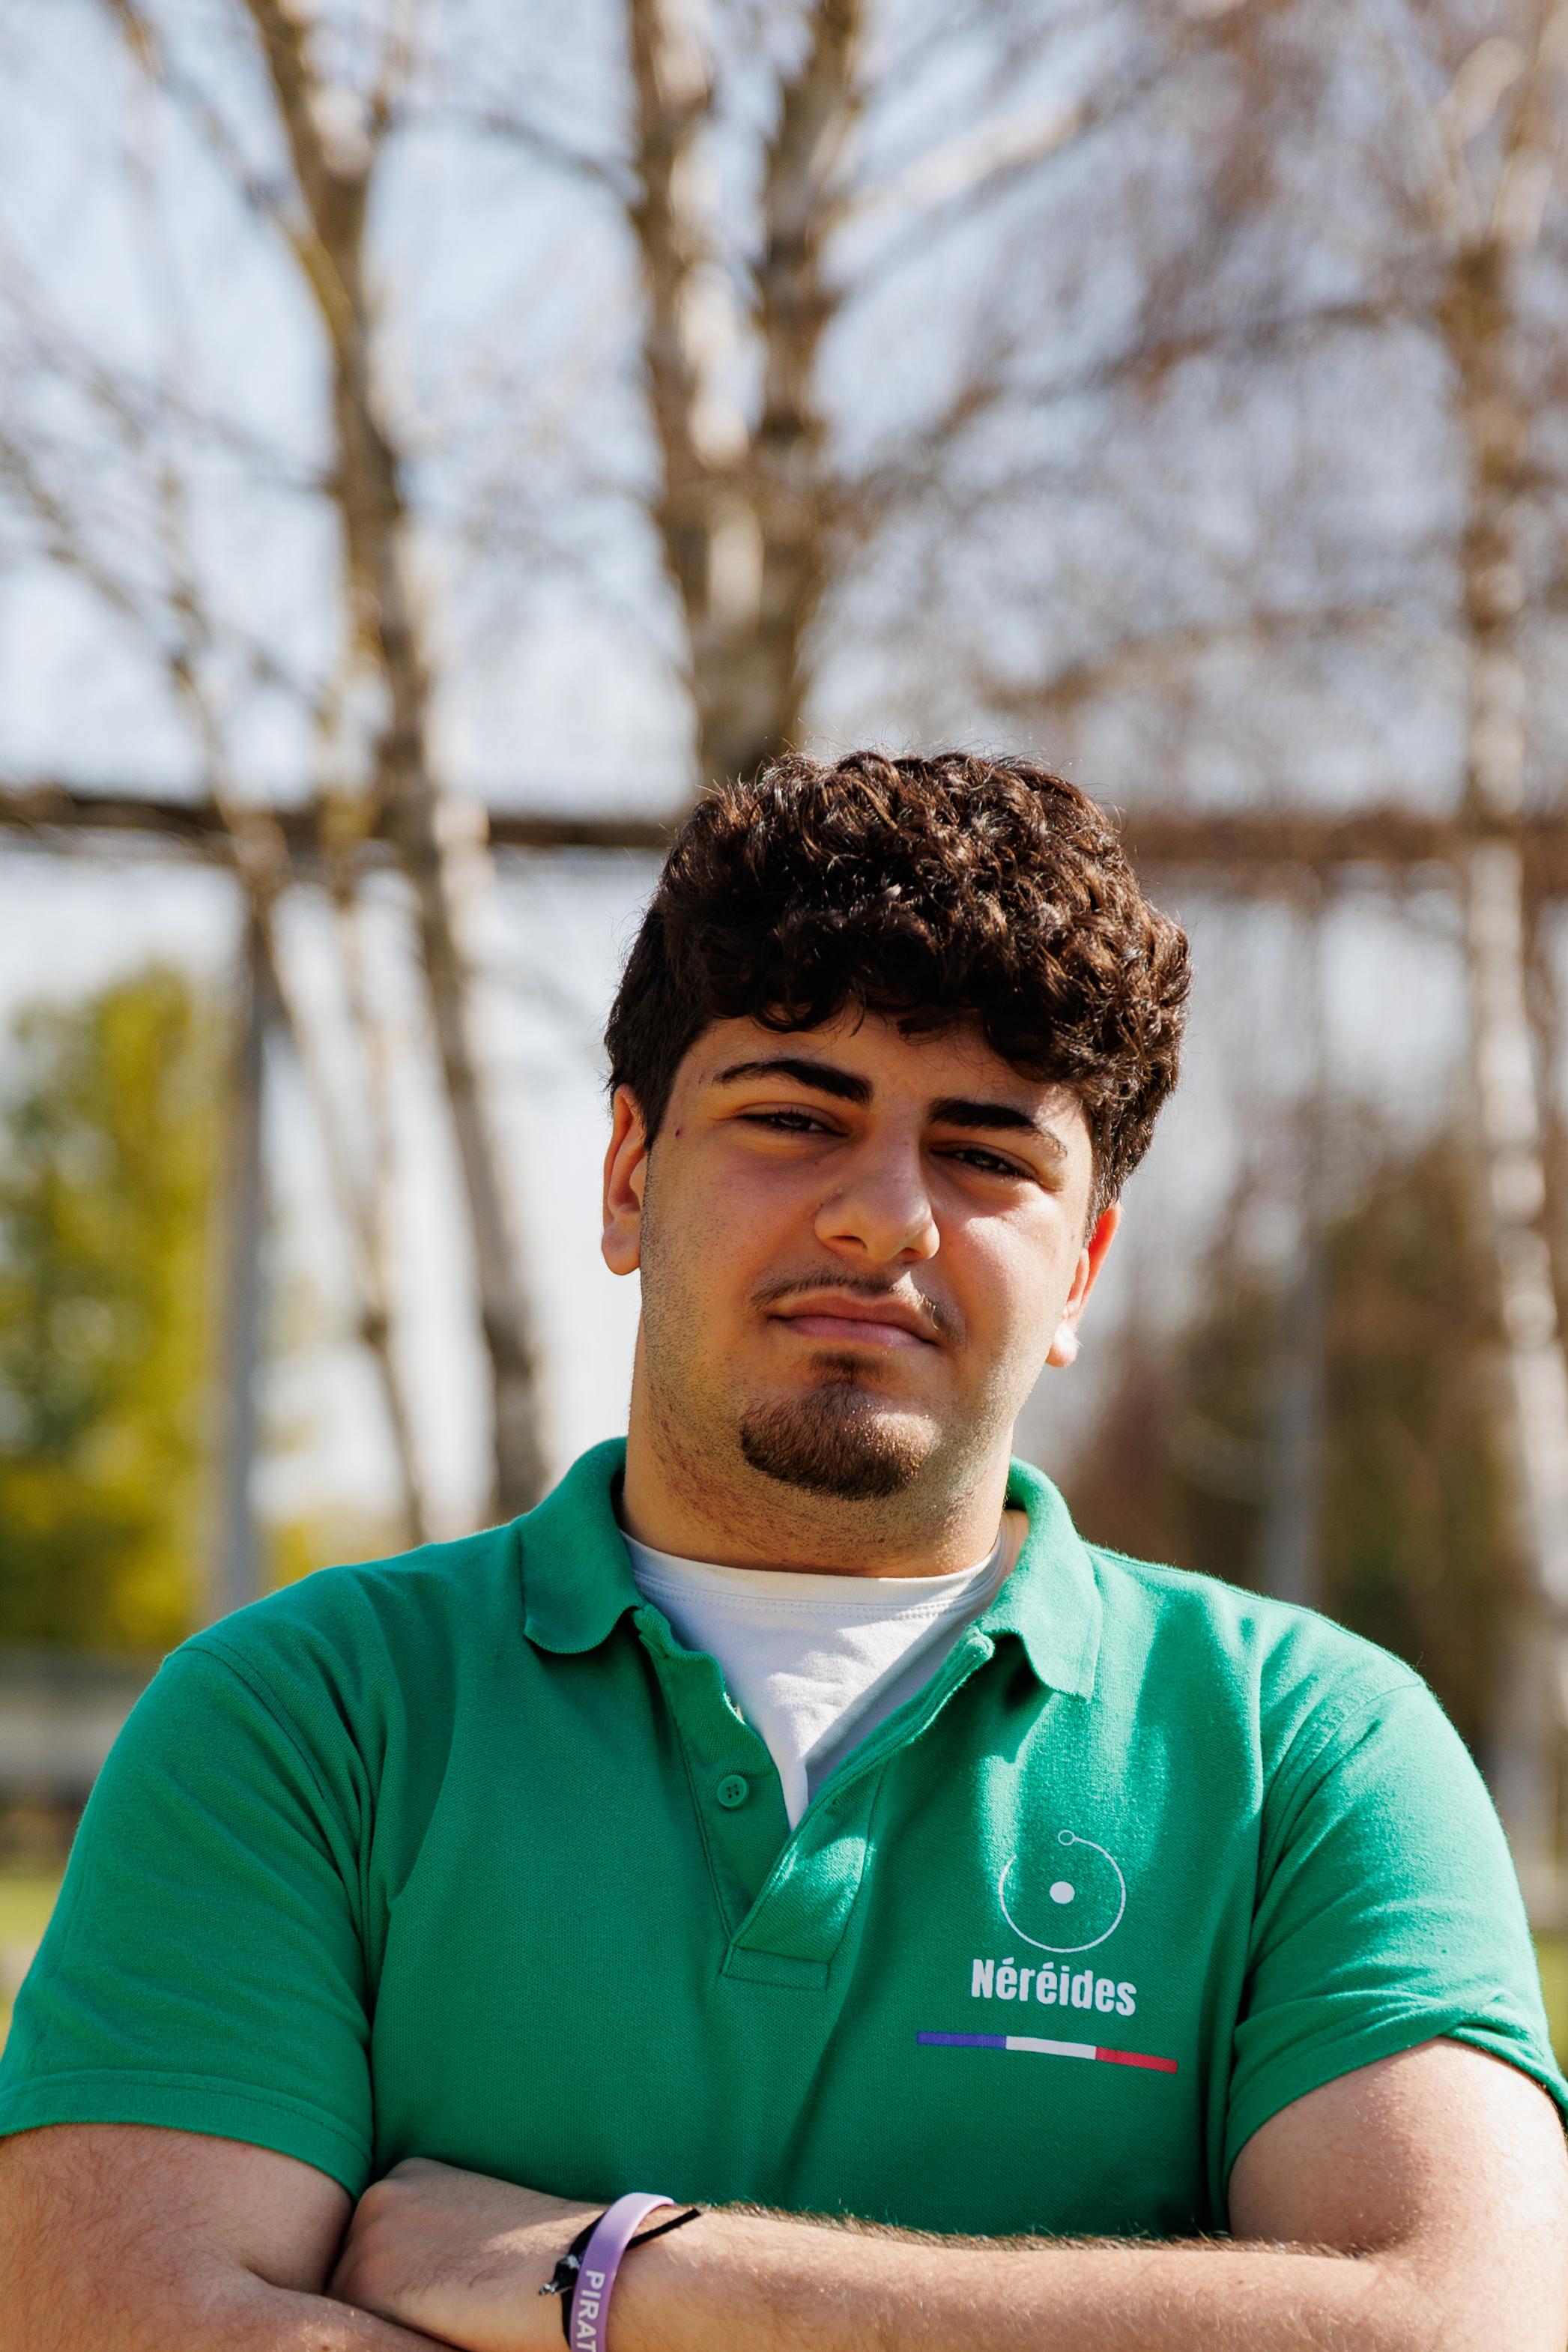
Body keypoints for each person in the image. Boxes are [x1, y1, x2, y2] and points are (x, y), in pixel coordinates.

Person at [1, 751, 1565, 2352]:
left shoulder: (1307, 1750)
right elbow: (111, 2321)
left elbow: (1463, 2329)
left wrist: (617, 2275)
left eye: (987, 1155)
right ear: (629, 1178)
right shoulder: (302, 1718)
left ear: (1083, 1267)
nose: (883, 1217)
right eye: (796, 1117)